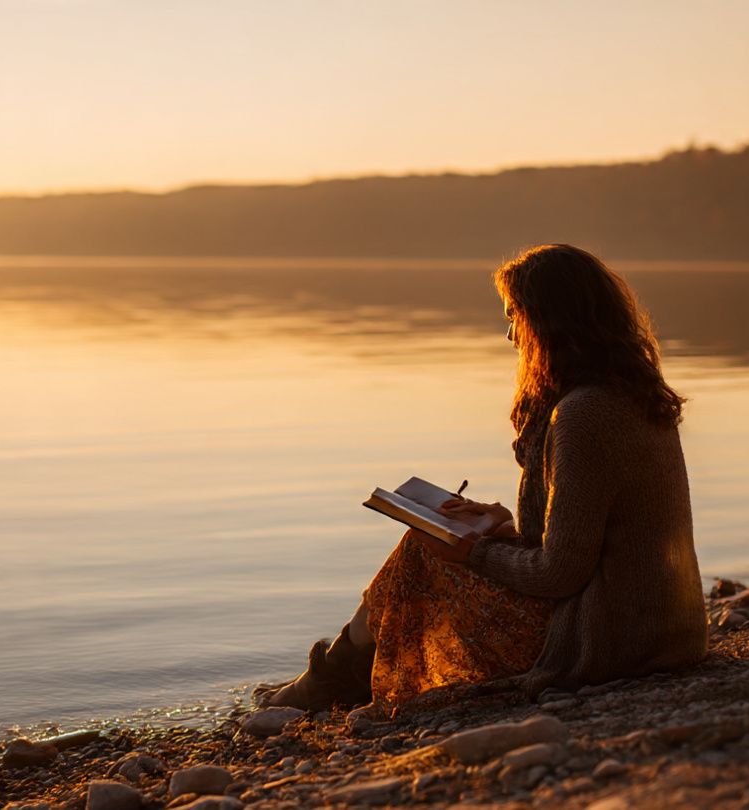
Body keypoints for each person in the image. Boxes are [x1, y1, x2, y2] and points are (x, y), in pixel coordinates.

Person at [258, 244, 708, 715]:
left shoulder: (583, 415)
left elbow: (560, 573)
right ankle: (333, 676)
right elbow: (595, 544)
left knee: (423, 551)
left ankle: (326, 682)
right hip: (665, 631)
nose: (510, 335)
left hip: (611, 642)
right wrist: (502, 526)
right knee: (434, 544)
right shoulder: (632, 397)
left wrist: (473, 550)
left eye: (515, 316)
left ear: (548, 321)